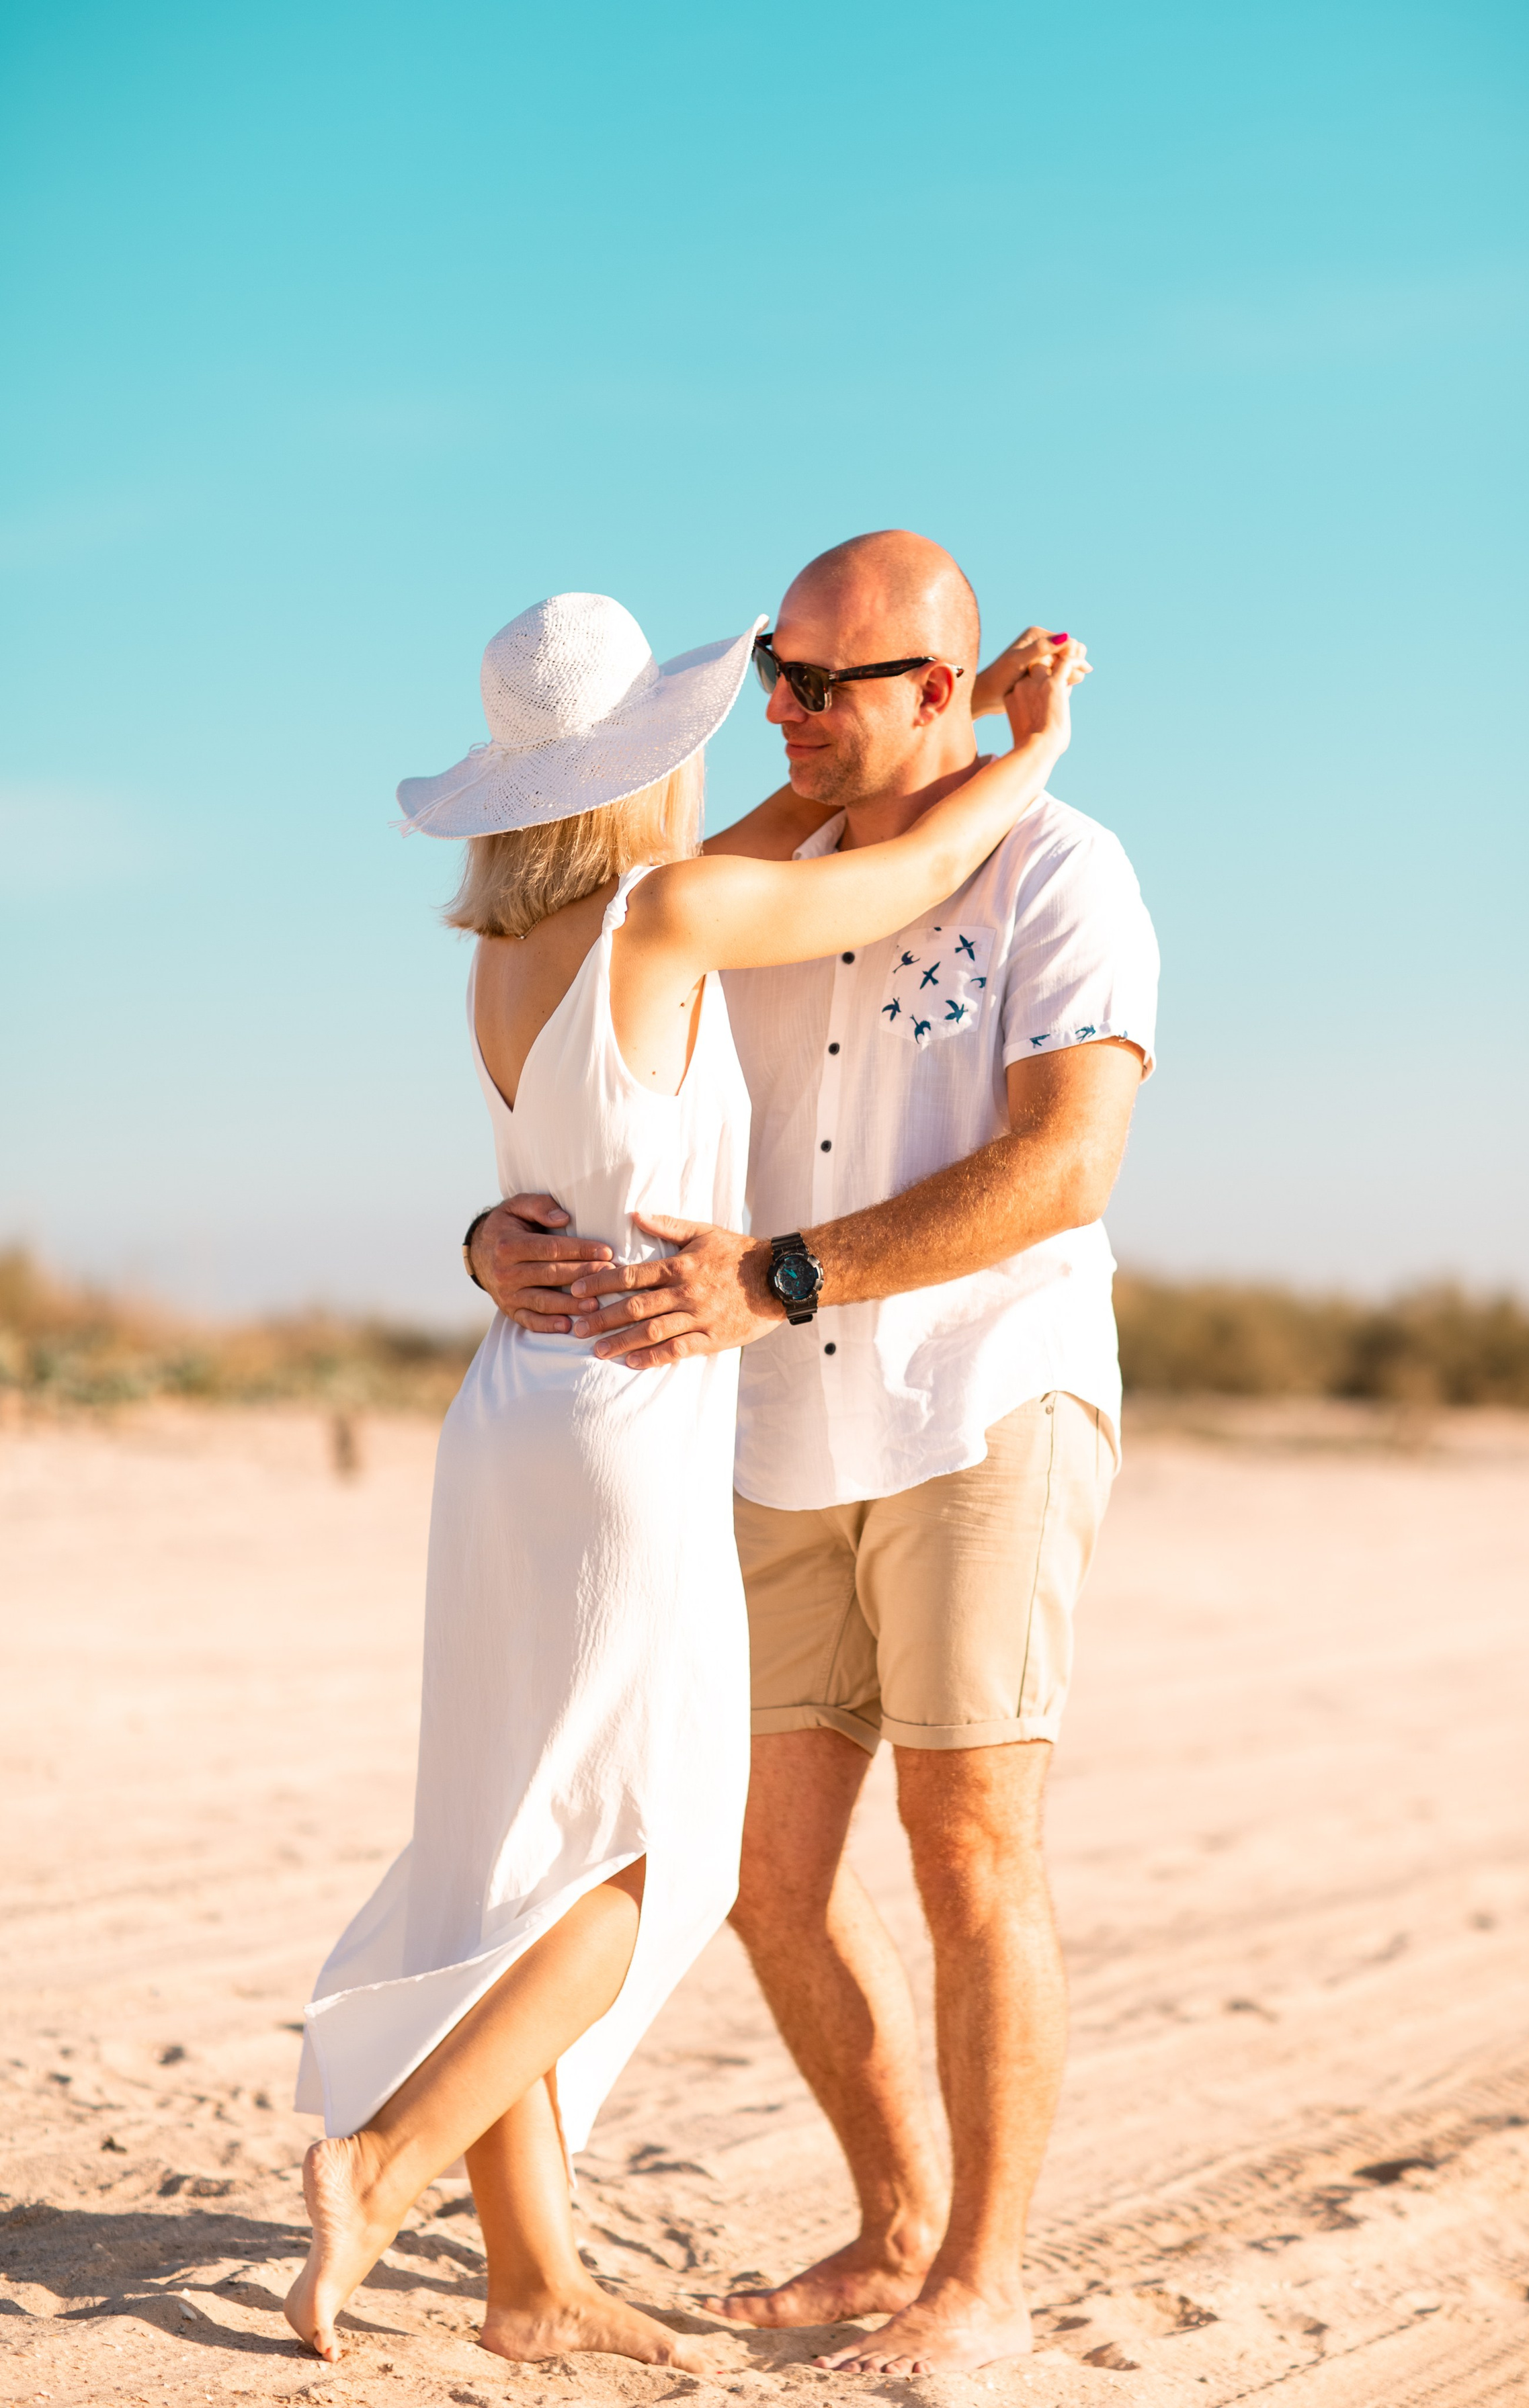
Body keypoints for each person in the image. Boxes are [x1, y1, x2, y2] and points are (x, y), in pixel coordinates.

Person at [283, 584, 1085, 2372]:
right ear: (646, 765)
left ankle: (532, 2278)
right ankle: (388, 2163)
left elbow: (742, 869)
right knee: (658, 1849)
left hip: (508, 1411)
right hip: (631, 1418)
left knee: (512, 1844)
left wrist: (484, 1244)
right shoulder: (673, 915)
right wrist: (1028, 748)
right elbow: (896, 868)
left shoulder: (525, 942)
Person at [466, 529, 1159, 2378]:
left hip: (980, 1405)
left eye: (824, 682)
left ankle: (981, 2285)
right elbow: (602, 1112)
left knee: (966, 1848)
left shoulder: (1062, 873)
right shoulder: (744, 884)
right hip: (764, 1433)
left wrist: (785, 1274)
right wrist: (491, 1238)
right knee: (767, 1878)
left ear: (938, 689)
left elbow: (1062, 1168)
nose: (783, 706)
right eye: (775, 669)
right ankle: (890, 2227)